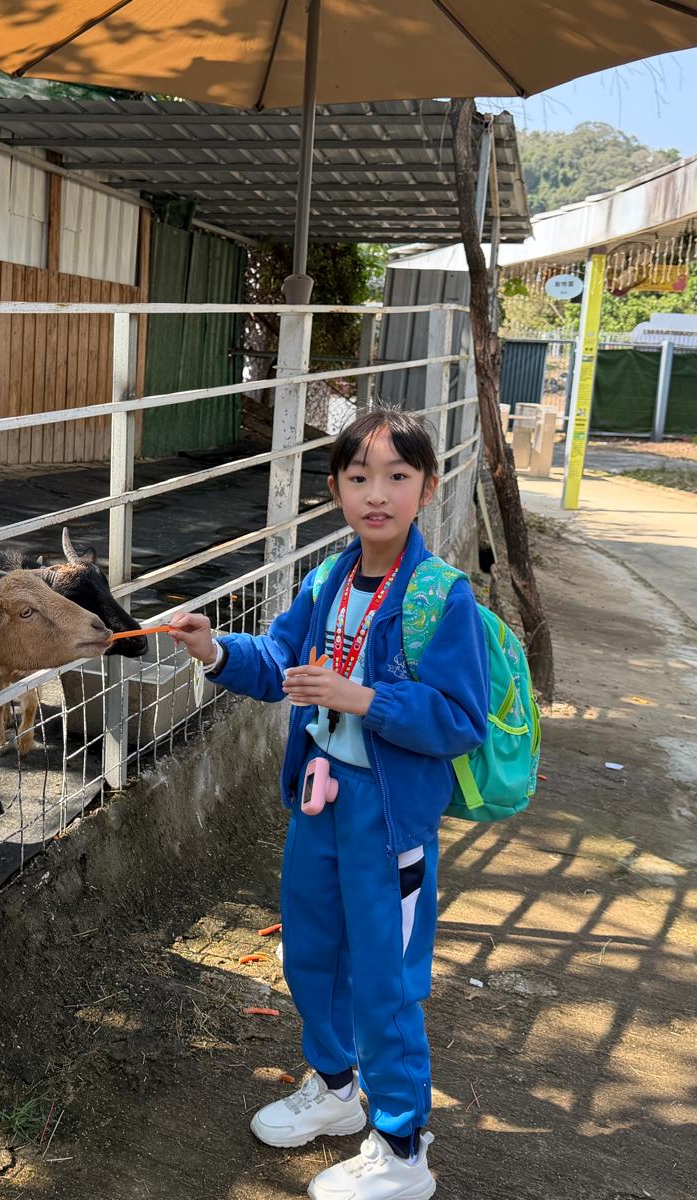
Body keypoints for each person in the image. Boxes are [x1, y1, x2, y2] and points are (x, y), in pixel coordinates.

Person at [168, 409, 489, 1200]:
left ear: (427, 488)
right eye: (358, 477)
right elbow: (279, 659)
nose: (377, 495)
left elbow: (460, 719)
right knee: (310, 953)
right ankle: (338, 1089)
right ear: (337, 489)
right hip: (321, 804)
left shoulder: (441, 597)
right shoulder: (326, 582)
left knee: (386, 977)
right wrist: (214, 649)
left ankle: (403, 1150)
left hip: (390, 818)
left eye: (397, 477)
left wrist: (361, 697)